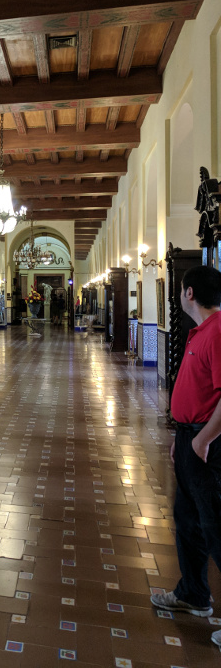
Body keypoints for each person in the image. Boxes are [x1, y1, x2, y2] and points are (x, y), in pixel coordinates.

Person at [150, 265, 221, 646]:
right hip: (190, 439)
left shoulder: (219, 331)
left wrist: (203, 441)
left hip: (206, 446)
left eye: (178, 290)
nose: (177, 295)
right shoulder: (201, 331)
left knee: (215, 526)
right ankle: (194, 594)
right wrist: (183, 438)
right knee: (189, 521)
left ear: (189, 293)